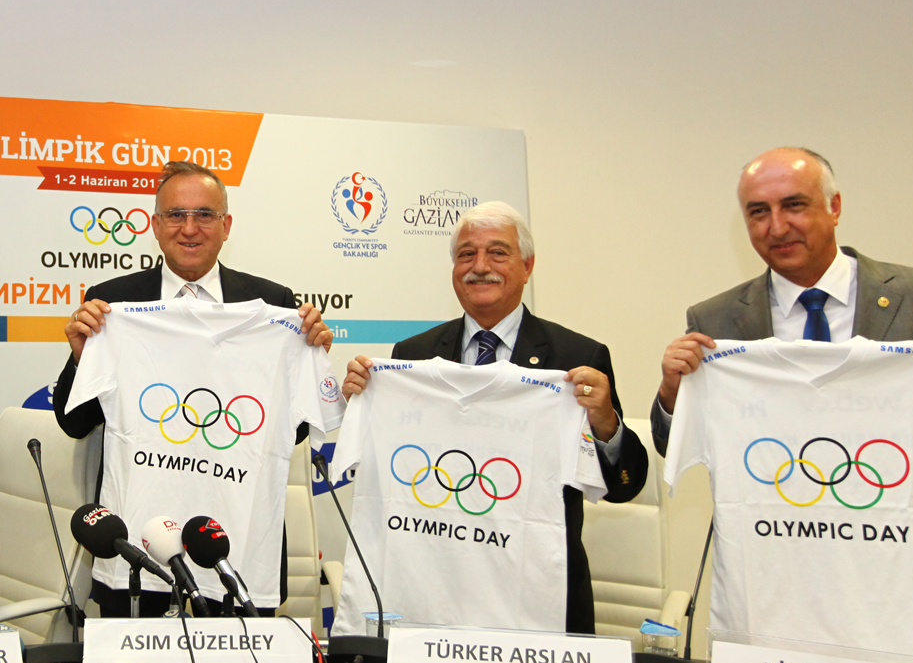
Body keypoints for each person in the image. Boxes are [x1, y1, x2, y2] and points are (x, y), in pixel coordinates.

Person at [342, 200, 648, 634]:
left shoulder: (576, 358)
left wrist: (605, 424)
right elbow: (386, 471)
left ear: (527, 266)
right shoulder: (411, 355)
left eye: (498, 253)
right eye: (466, 254)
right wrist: (360, 403)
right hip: (431, 591)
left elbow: (624, 487)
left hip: (537, 601)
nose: (480, 266)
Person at [52, 160, 333, 616]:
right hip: (138, 550)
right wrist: (83, 357)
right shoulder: (113, 302)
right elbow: (74, 423)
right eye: (176, 215)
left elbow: (292, 433)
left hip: (234, 548)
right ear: (155, 226)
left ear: (226, 226)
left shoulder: (274, 304)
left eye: (204, 214)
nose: (189, 228)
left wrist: (308, 363)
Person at [651, 147, 913, 456]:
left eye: (794, 205)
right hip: (768, 524)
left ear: (834, 207)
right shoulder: (714, 320)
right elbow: (679, 447)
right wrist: (671, 396)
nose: (778, 227)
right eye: (759, 212)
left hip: (897, 521)